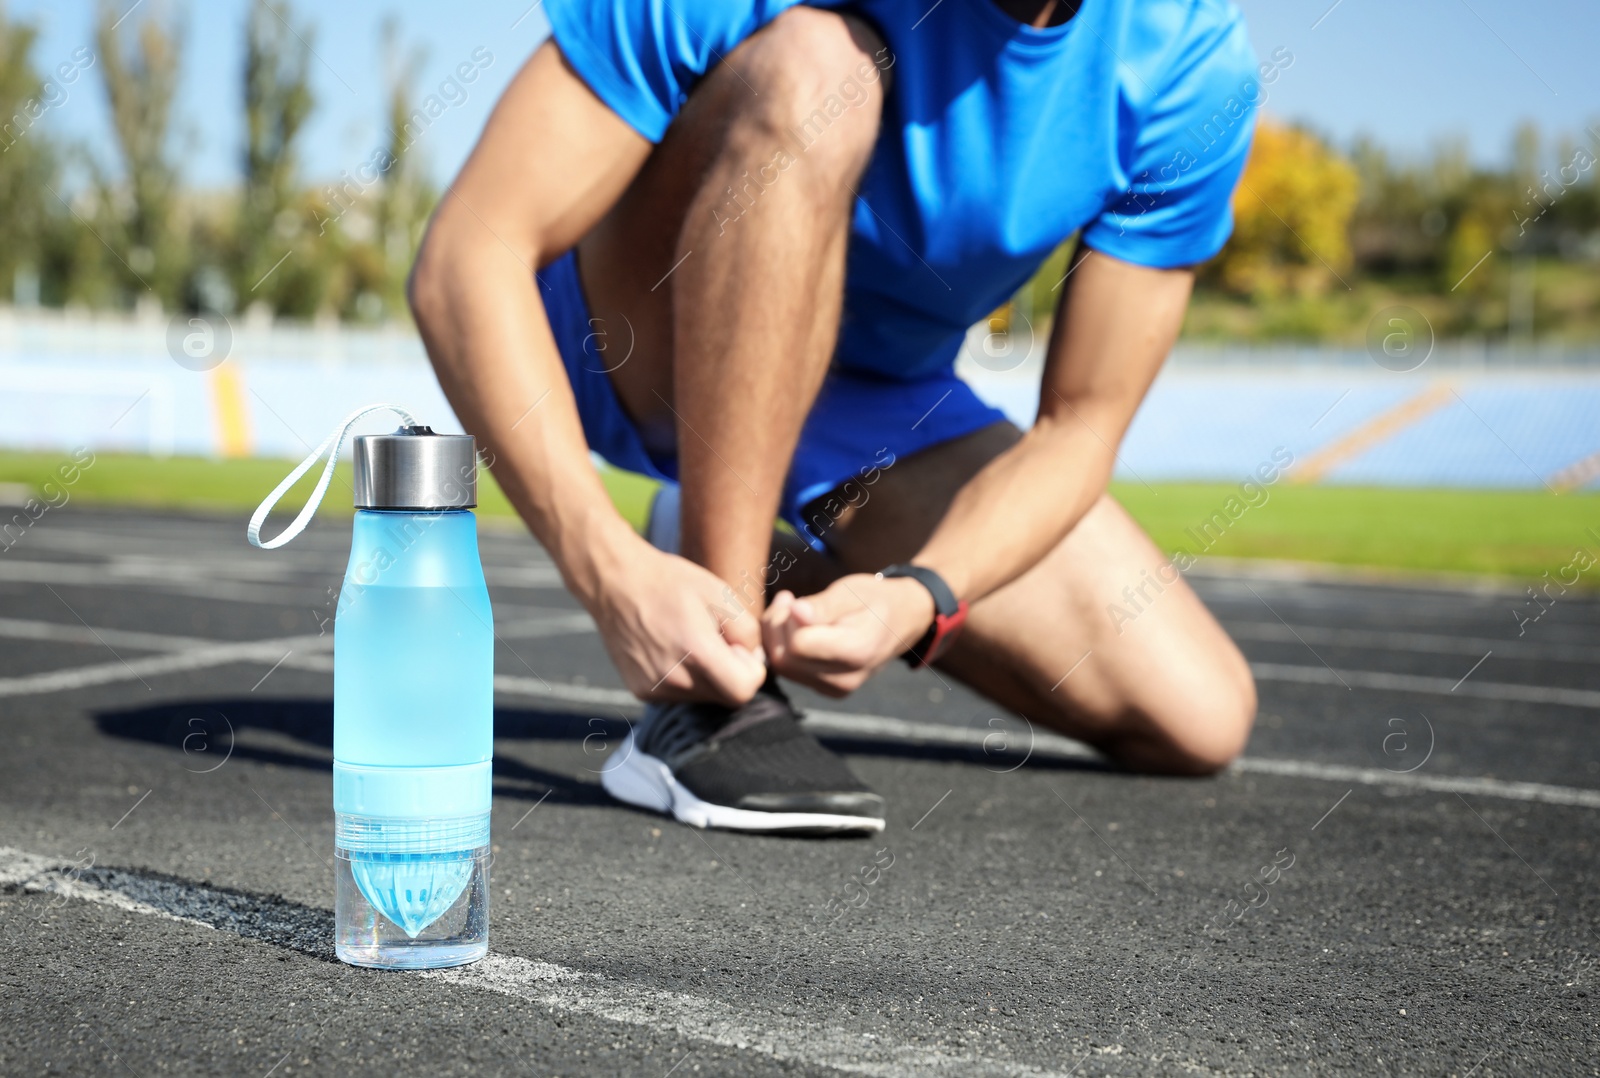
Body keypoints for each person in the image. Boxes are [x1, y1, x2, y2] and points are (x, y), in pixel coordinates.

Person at [408, 0, 1262, 835]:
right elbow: (467, 254)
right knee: (825, 68)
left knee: (1196, 714)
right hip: (627, 335)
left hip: (872, 402)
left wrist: (920, 596)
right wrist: (605, 570)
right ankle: (709, 688)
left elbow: (1080, 427)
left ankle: (730, 551)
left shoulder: (1186, 60)